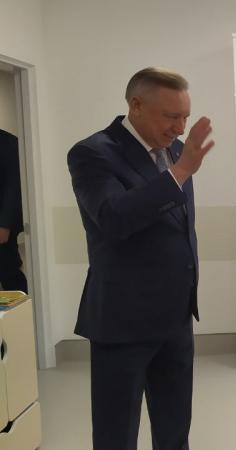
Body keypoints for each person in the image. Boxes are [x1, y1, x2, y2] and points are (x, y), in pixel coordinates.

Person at [67, 67, 214, 450]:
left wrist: (180, 167)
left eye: (185, 116)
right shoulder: (92, 153)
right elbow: (114, 218)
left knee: (174, 429)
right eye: (171, 116)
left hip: (176, 316)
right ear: (136, 105)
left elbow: (177, 226)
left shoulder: (177, 151)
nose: (180, 128)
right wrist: (180, 172)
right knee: (116, 434)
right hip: (123, 320)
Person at [0, 128, 27, 292]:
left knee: (8, 271)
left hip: (3, 225)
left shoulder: (8, 143)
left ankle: (24, 307)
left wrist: (5, 225)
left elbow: (14, 186)